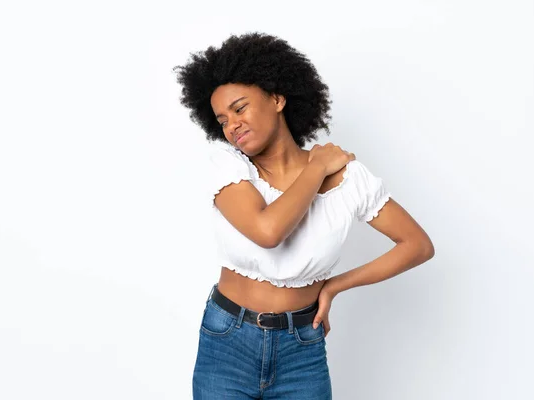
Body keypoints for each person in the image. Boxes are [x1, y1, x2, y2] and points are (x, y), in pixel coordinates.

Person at [174, 32, 435, 399]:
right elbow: (268, 231)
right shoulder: (228, 166)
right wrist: (318, 167)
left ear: (278, 98)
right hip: (227, 342)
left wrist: (334, 286)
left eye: (240, 108)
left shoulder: (348, 179)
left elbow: (417, 246)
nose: (231, 124)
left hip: (302, 348)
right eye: (221, 119)